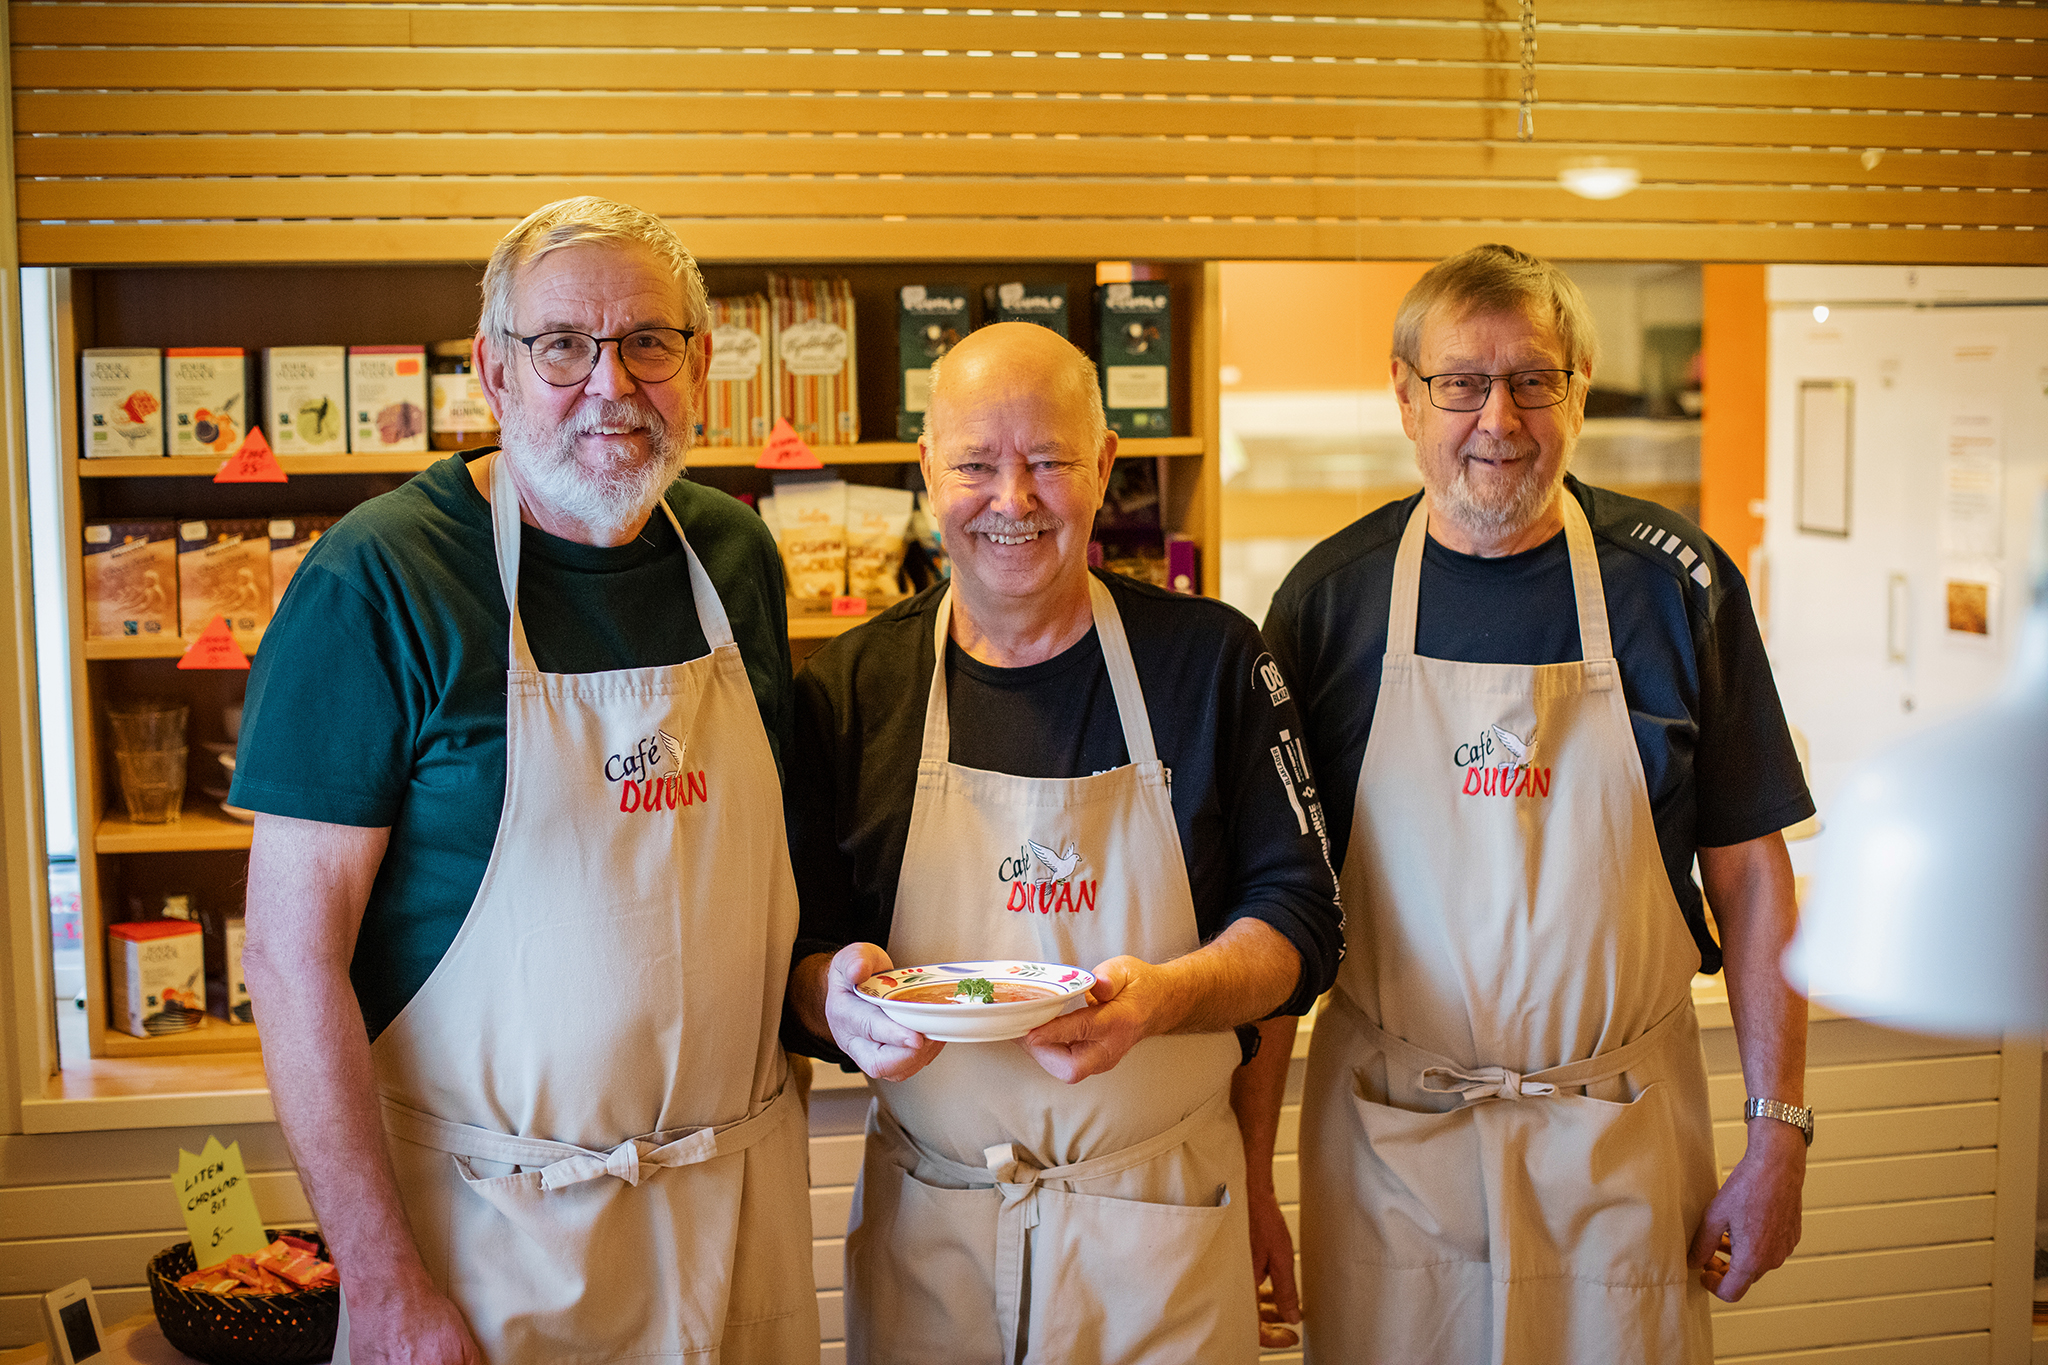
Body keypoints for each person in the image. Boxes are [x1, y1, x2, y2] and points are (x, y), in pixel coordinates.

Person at [235, 197, 818, 1364]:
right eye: (561, 345)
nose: (609, 384)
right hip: (488, 1242)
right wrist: (386, 1283)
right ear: (494, 372)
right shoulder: (380, 579)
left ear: (699, 362)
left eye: (647, 342)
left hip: (733, 1218)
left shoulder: (735, 555)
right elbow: (289, 958)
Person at [1261, 244, 1813, 1364]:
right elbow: (1271, 906)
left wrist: (1778, 1138)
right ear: (1405, 396)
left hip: (1615, 1132)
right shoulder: (1327, 602)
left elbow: (1750, 873)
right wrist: (1244, 1171)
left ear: (1580, 389)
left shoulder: (1675, 584)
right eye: (1460, 382)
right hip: (1389, 1134)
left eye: (1533, 380)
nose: (1496, 419)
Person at [783, 321, 1343, 1365]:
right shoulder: (853, 689)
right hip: (931, 1239)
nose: (1013, 499)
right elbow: (792, 957)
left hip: (1159, 1229)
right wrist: (833, 994)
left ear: (1104, 469)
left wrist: (1164, 999)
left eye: (1047, 461)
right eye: (976, 465)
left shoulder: (1209, 662)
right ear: (923, 470)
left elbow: (1300, 922)